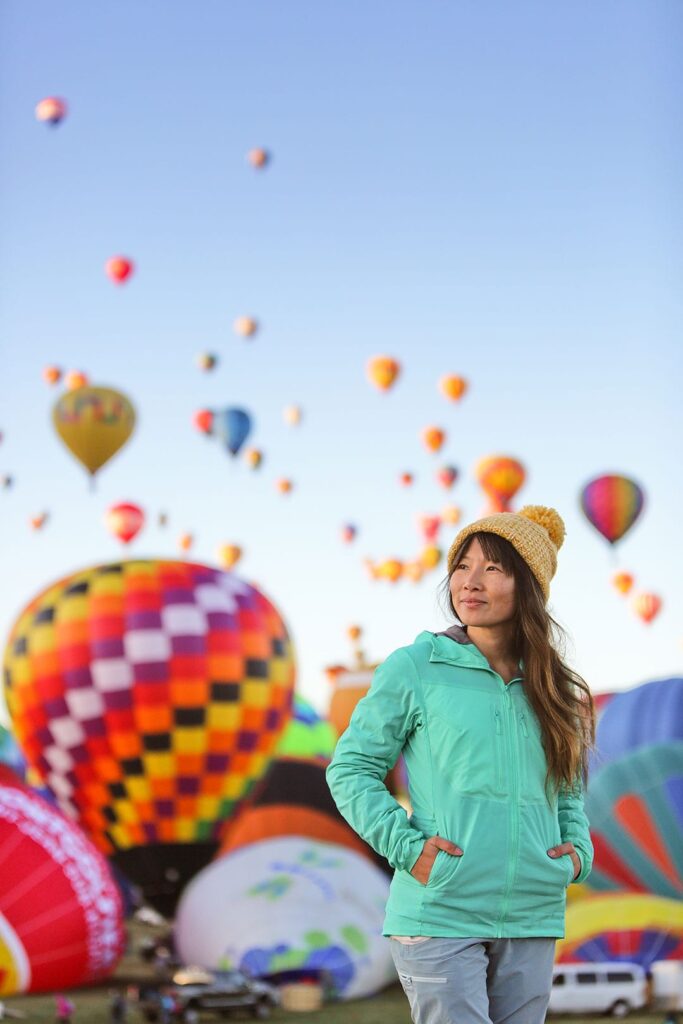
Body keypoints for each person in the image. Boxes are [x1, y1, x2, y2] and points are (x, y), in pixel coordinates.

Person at [327, 505, 595, 1024]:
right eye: (462, 565)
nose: (470, 582)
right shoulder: (416, 667)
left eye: (493, 568)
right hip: (439, 910)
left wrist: (576, 852)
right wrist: (408, 849)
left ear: (529, 586)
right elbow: (351, 768)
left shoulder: (554, 687)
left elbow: (565, 789)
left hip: (532, 911)